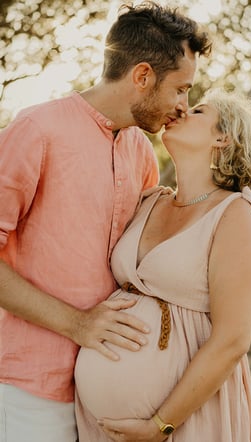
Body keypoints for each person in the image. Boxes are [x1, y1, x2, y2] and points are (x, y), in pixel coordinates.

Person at [0, 3, 211, 441]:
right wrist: (78, 324)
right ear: (142, 75)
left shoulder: (140, 151)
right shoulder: (37, 129)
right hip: (29, 390)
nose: (183, 106)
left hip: (103, 392)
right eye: (180, 89)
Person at [74, 88, 251, 442]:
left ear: (223, 137)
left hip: (184, 421)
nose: (181, 111)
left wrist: (160, 425)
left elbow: (232, 340)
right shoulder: (150, 201)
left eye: (199, 110)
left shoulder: (235, 214)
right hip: (97, 424)